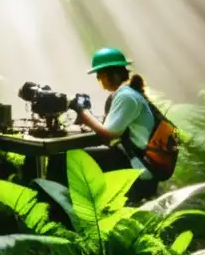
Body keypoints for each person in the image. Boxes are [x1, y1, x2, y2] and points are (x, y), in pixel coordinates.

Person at [46, 47, 160, 205]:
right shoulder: (127, 93)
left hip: (136, 162)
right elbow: (112, 129)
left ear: (109, 75)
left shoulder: (126, 96)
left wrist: (81, 110)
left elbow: (107, 135)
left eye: (99, 77)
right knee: (71, 156)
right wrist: (89, 120)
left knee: (61, 159)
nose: (100, 81)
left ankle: (57, 210)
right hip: (131, 156)